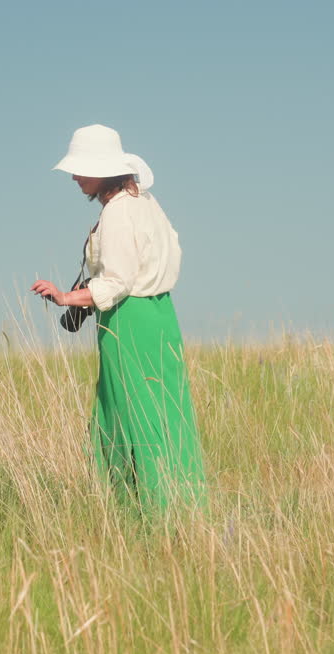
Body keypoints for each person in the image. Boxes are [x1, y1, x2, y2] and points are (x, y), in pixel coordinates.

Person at [31, 124, 207, 515]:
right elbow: (165, 255)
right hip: (161, 317)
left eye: (80, 169)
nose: (75, 177)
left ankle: (144, 516)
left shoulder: (118, 212)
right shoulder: (147, 203)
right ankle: (184, 511)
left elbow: (117, 281)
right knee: (166, 414)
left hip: (128, 320)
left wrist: (65, 296)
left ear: (102, 170)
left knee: (129, 416)